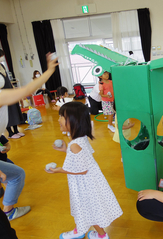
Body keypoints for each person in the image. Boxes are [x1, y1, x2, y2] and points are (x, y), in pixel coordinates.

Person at [0, 53, 58, 235]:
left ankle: (8, 210)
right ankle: (8, 212)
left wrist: (2, 141)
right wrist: (50, 69)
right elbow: (27, 90)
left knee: (16, 173)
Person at [45, 102, 122, 239]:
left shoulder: (75, 144)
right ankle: (84, 230)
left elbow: (81, 170)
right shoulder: (79, 139)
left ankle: (100, 235)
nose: (58, 120)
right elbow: (80, 157)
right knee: (88, 208)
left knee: (88, 209)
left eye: (62, 116)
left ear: (74, 121)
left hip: (84, 184)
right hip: (90, 180)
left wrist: (58, 170)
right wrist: (65, 149)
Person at [0, 47, 24, 139]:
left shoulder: (2, 65)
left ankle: (16, 130)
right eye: (1, 55)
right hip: (1, 93)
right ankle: (10, 133)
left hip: (9, 90)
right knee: (6, 112)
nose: (2, 57)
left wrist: (13, 88)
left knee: (14, 110)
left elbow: (7, 78)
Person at [0, 135, 14, 200]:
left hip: (3, 161)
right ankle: (0, 190)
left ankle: (9, 192)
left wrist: (7, 148)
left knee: (6, 179)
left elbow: (7, 144)